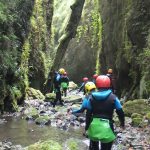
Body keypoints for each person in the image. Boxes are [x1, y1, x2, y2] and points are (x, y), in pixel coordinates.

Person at [86, 75, 125, 150]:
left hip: (94, 127)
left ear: (97, 85)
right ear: (109, 85)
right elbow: (120, 112)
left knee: (93, 148)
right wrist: (122, 124)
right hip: (108, 127)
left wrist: (87, 127)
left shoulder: (91, 98)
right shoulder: (114, 98)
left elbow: (88, 114)